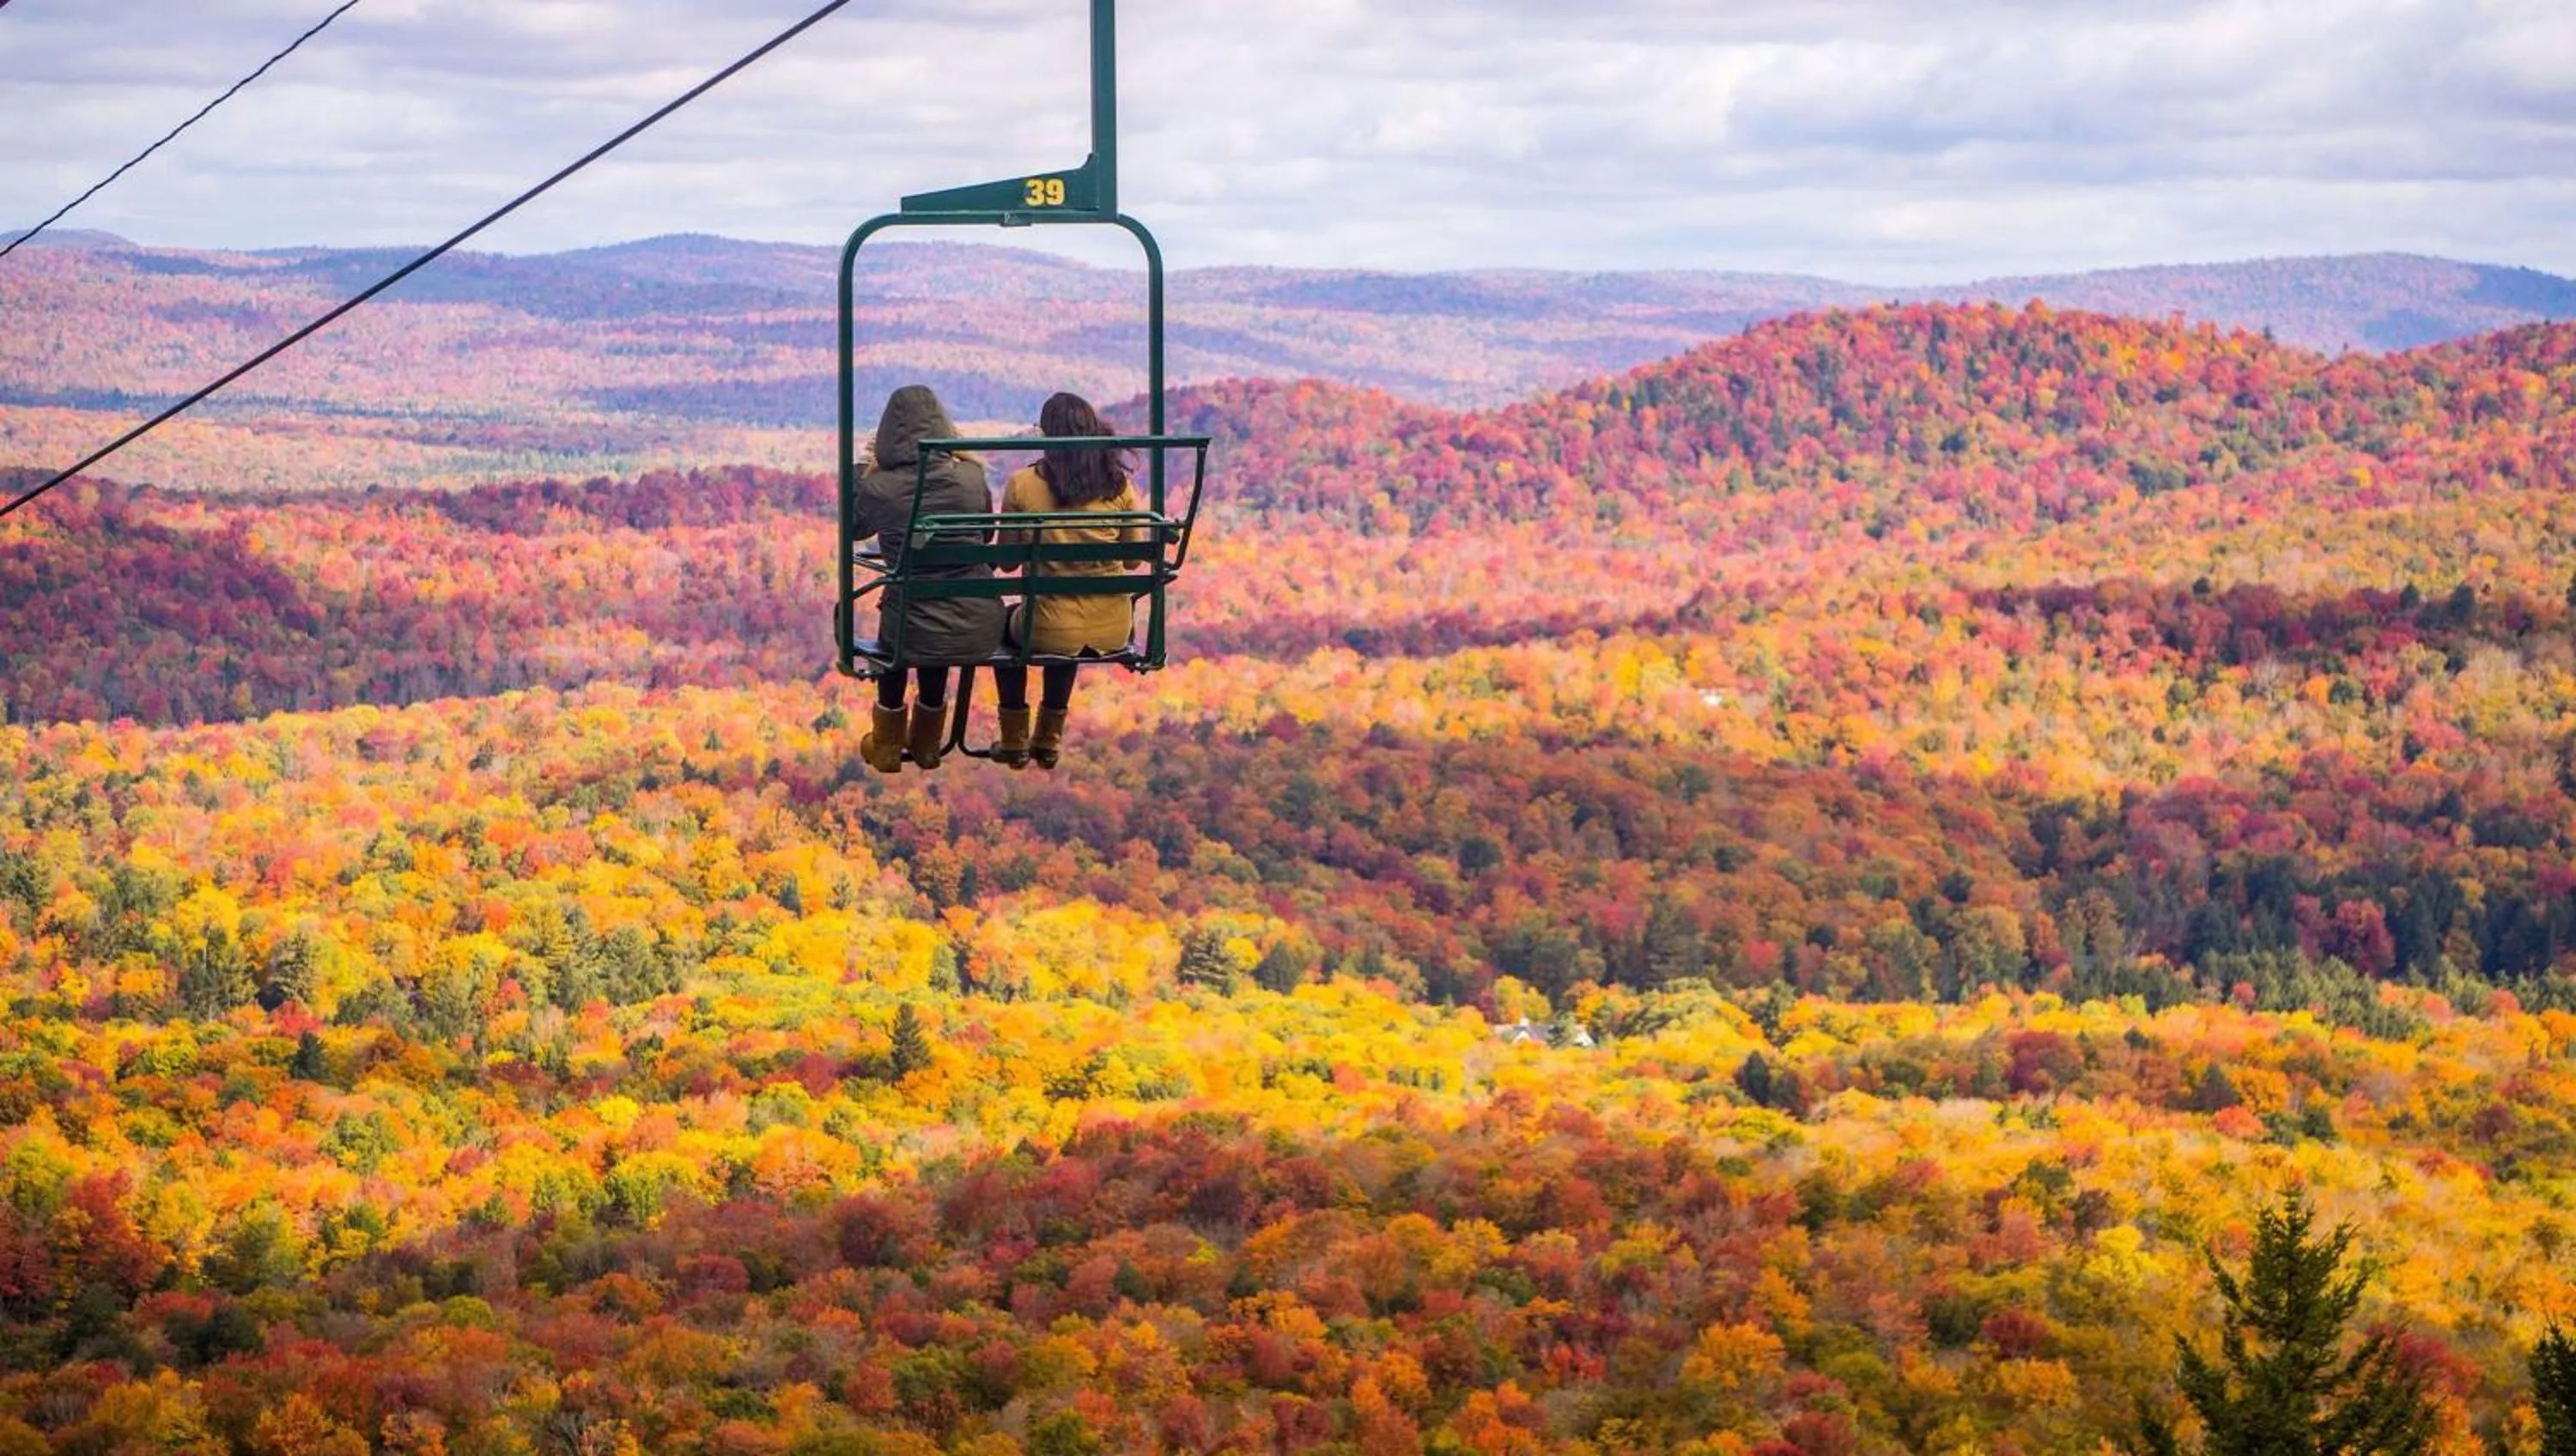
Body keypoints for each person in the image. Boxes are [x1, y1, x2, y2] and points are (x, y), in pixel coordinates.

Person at [851, 385, 1005, 774]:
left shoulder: (880, 488)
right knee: (933, 616)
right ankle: (927, 743)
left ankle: (887, 743)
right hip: (979, 623)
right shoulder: (971, 477)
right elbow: (985, 537)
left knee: (906, 625)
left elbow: (853, 527)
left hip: (910, 626)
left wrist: (861, 468)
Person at [991, 392, 1143, 770]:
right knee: (1068, 628)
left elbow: (1007, 564)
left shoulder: (1023, 484)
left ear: (1047, 436)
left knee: (1002, 627)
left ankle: (1014, 740)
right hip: (1112, 627)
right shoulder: (1117, 485)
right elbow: (1133, 558)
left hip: (1046, 627)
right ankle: (1048, 739)